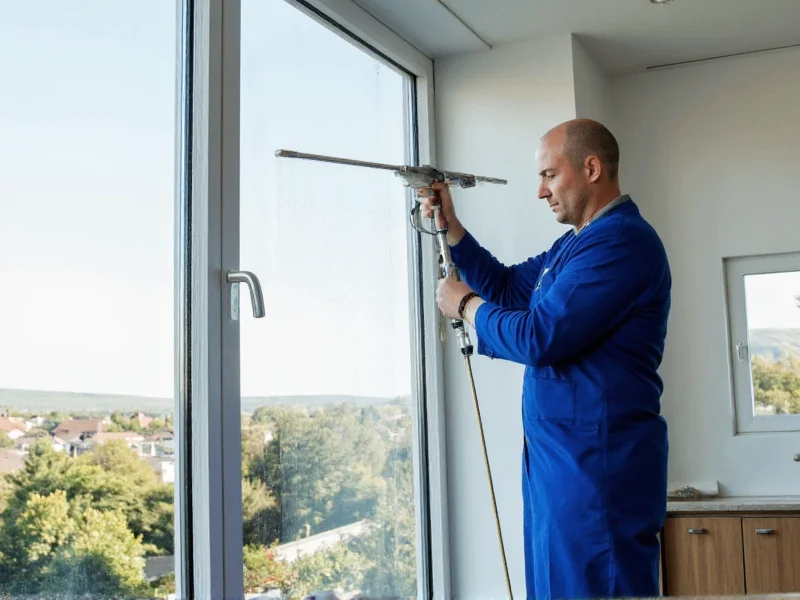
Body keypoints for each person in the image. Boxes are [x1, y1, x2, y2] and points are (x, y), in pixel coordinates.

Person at [419, 119, 671, 599]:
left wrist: (465, 305)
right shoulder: (575, 244)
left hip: (597, 471)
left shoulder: (622, 242)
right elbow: (509, 288)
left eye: (549, 175)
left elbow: (540, 337)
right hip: (559, 468)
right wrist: (451, 227)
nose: (541, 191)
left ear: (591, 169)